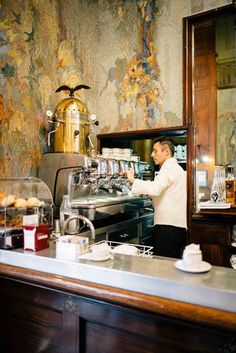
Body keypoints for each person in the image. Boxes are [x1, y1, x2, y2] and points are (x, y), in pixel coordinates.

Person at [126, 136, 187, 258]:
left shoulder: (168, 168)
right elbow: (165, 192)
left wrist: (132, 179)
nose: (152, 155)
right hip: (175, 227)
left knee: (164, 267)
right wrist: (153, 196)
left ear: (166, 152)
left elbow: (155, 188)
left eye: (155, 151)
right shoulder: (176, 168)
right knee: (170, 265)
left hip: (168, 228)